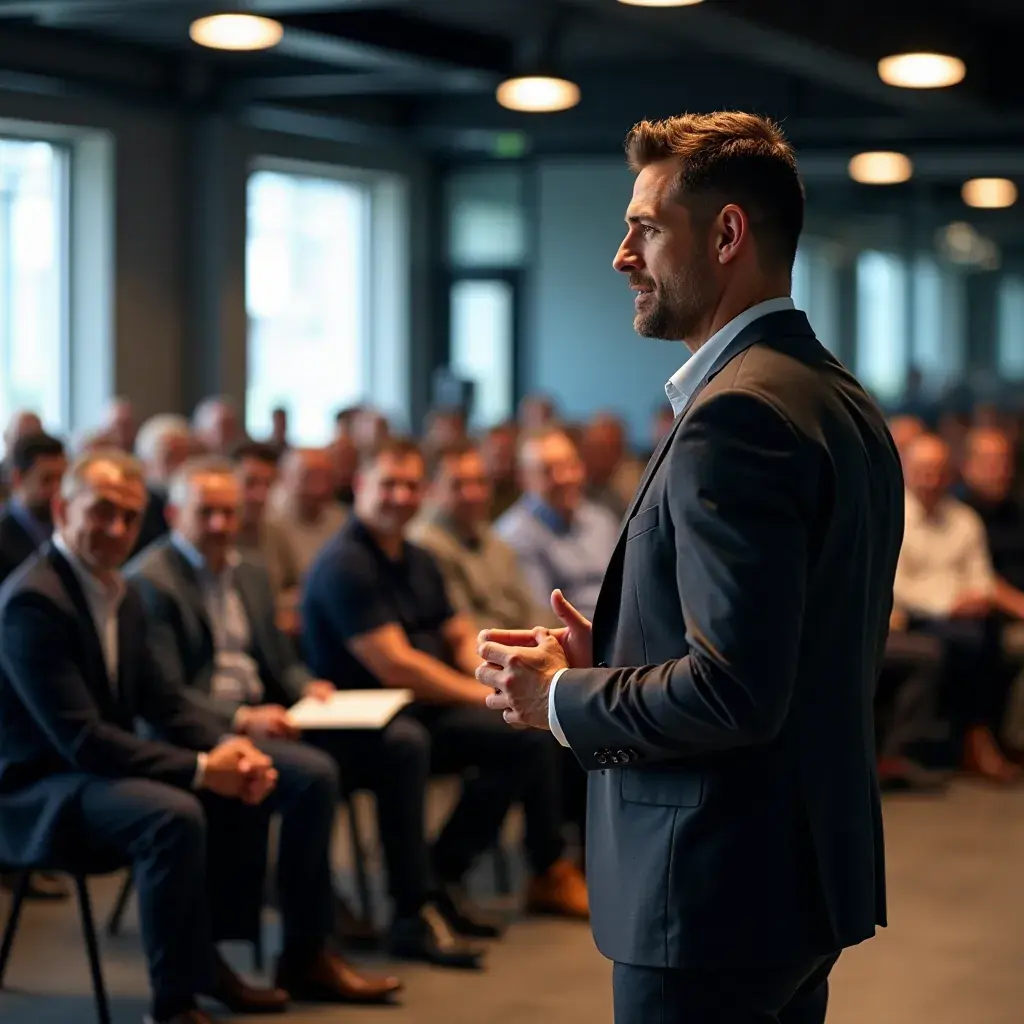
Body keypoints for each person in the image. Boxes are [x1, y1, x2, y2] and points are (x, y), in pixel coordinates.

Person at [476, 112, 904, 1024]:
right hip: (795, 877)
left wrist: (562, 697)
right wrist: (626, 647)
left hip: (712, 887)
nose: (622, 256)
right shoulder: (833, 396)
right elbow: (793, 637)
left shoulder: (734, 417)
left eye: (645, 227)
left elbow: (734, 690)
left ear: (726, 234)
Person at [0, 450, 400, 1024]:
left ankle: (231, 961)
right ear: (64, 507)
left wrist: (224, 753)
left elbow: (161, 701)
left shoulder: (120, 591)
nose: (116, 531)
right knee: (173, 811)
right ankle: (175, 1003)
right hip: (40, 789)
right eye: (102, 513)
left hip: (94, 767)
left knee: (245, 777)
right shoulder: (34, 599)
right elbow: (80, 740)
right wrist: (198, 767)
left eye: (129, 518)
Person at [130, 456, 483, 970]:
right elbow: (165, 695)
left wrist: (307, 686)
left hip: (274, 716)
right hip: (201, 731)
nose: (220, 526)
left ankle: (414, 906)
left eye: (229, 513)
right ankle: (307, 948)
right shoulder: (151, 582)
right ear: (174, 513)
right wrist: (241, 719)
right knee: (313, 776)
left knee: (402, 743)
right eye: (206, 513)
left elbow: (280, 661)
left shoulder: (247, 570)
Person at [303, 439, 590, 929]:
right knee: (417, 743)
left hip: (419, 709)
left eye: (411, 485)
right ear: (360, 487)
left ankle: (445, 871)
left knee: (527, 737)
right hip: (359, 722)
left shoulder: (415, 557)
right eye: (388, 484)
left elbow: (460, 638)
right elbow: (399, 665)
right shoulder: (346, 563)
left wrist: (505, 689)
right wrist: (488, 697)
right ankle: (415, 904)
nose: (400, 496)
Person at [495, 428, 619, 621]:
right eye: (548, 471)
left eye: (570, 466)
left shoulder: (602, 520)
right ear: (524, 479)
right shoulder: (513, 537)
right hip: (574, 641)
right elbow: (543, 619)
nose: (564, 478)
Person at [0, 433, 67, 584]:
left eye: (62, 478)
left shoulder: (67, 527)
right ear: (18, 478)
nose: (57, 490)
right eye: (47, 479)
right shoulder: (3, 540)